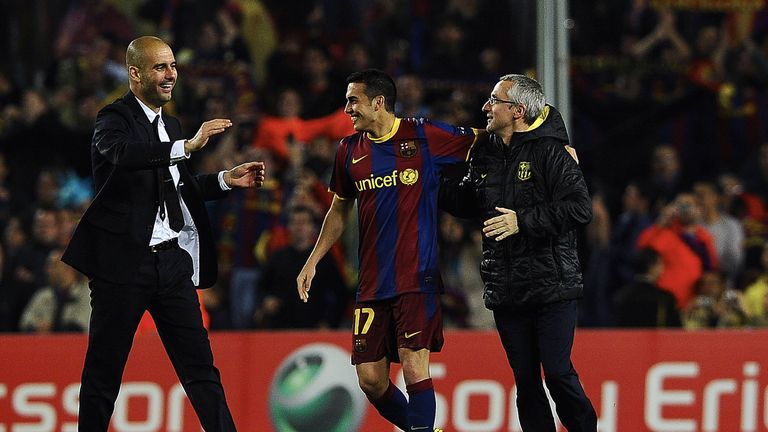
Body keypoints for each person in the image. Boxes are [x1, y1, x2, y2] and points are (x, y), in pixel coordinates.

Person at [61, 36, 266, 431]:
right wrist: (187, 146)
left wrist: (225, 179)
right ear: (134, 73)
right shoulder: (112, 119)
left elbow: (178, 185)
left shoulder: (169, 126)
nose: (171, 74)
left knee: (201, 369)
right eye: (160, 67)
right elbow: (124, 155)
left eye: (172, 65)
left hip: (171, 264)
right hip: (123, 267)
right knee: (104, 376)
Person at [297, 69, 479, 432]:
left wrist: (544, 142)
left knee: (414, 367)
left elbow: (483, 140)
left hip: (416, 276)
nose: (347, 109)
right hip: (372, 282)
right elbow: (339, 208)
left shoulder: (423, 135)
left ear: (378, 102)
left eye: (353, 100)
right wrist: (312, 260)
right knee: (370, 379)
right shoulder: (349, 150)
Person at [439, 74, 597, 431]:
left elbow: (579, 209)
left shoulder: (550, 152)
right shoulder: (485, 152)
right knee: (526, 382)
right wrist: (431, 183)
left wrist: (522, 221)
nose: (486, 107)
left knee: (556, 373)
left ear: (518, 111)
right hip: (507, 288)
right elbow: (468, 201)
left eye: (494, 100)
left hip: (552, 285)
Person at [19, 248, 91, 332]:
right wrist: (37, 326)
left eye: (53, 265)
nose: (47, 270)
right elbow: (25, 323)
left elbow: (82, 325)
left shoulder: (86, 293)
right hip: (44, 343)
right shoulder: (43, 295)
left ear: (68, 267)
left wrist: (53, 328)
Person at [613, 248, 681, 328]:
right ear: (651, 266)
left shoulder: (620, 296)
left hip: (629, 340)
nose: (663, 269)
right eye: (660, 264)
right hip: (657, 340)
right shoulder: (664, 298)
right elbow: (675, 331)